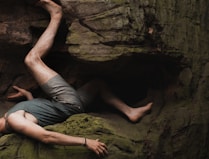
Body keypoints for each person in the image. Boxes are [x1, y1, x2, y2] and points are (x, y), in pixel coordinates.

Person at [0, 0, 152, 156]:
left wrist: (27, 96)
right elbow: (46, 137)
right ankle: (56, 15)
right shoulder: (14, 121)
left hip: (71, 105)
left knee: (97, 84)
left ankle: (130, 112)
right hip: (66, 102)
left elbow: (39, 116)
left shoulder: (12, 118)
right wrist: (86, 141)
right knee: (32, 60)